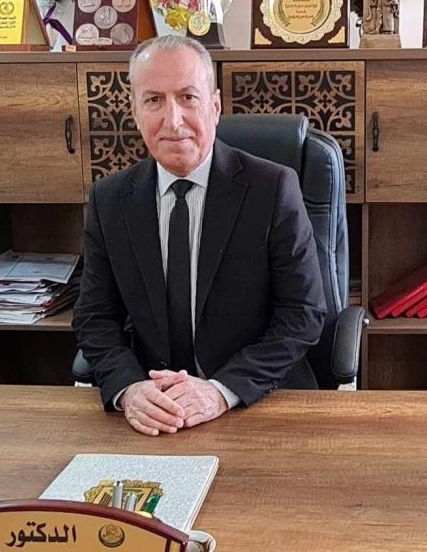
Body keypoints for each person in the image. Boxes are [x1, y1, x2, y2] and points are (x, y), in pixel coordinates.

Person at [73, 35, 326, 436]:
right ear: (135, 112)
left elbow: (303, 313)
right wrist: (128, 387)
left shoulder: (273, 188)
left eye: (187, 97)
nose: (172, 120)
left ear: (215, 106)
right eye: (153, 100)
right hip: (155, 409)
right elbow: (94, 317)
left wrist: (220, 391)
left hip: (255, 402)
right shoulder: (110, 200)